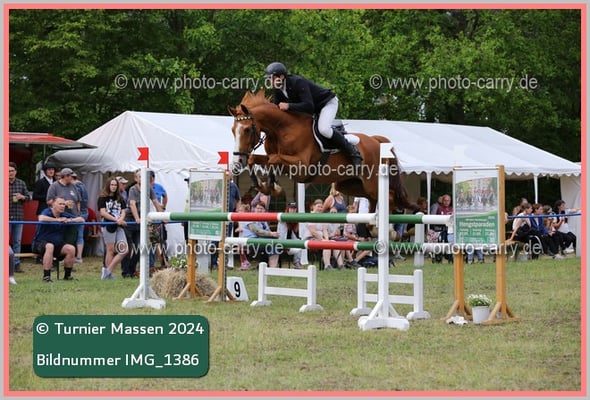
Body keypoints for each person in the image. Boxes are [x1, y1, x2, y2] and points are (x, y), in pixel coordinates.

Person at [264, 61, 362, 167]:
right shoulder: (278, 89)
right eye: (269, 79)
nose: (270, 81)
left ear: (282, 77)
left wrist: (289, 106)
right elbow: (277, 108)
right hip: (313, 109)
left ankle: (352, 151)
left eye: (272, 78)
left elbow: (309, 106)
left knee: (323, 130)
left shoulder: (298, 82)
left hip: (326, 104)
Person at [32, 196, 84, 282]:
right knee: (50, 246)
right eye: (60, 204)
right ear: (53, 205)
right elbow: (41, 218)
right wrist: (57, 220)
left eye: (64, 204)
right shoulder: (47, 211)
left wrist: (69, 220)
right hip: (40, 243)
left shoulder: (64, 214)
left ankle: (67, 276)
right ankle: (46, 277)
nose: (62, 206)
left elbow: (81, 219)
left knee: (71, 248)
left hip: (57, 243)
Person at [123, 169, 163, 278]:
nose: (141, 178)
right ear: (136, 179)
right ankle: (125, 272)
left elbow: (155, 202)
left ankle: (131, 271)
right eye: (139, 176)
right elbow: (132, 204)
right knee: (128, 249)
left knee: (139, 248)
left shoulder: (149, 188)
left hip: (140, 222)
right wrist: (137, 218)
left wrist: (162, 216)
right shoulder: (133, 189)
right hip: (130, 221)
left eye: (143, 176)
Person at [97, 178, 129, 280]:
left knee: (124, 250)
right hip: (108, 225)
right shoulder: (102, 197)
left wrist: (121, 219)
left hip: (119, 226)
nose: (114, 187)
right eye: (112, 185)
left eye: (115, 185)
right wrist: (116, 220)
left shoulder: (120, 198)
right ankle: (108, 274)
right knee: (110, 250)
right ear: (108, 185)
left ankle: (108, 271)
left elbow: (123, 211)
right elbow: (103, 212)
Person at [9, 162, 30, 272]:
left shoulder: (21, 183)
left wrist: (22, 197)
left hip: (18, 216)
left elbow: (28, 198)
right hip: (5, 217)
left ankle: (16, 264)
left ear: (16, 172)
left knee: (17, 241)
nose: (10, 173)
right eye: (8, 171)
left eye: (12, 171)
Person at [247, 200, 280, 268]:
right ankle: (271, 267)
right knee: (274, 242)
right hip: (251, 242)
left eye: (261, 209)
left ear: (264, 210)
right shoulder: (250, 217)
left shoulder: (264, 220)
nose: (259, 210)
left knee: (274, 244)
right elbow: (257, 231)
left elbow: (268, 232)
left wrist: (273, 234)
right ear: (254, 209)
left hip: (262, 241)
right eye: (258, 208)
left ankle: (271, 268)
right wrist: (271, 234)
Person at [149, 171, 168, 270]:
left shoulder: (158, 187)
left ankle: (163, 262)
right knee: (153, 242)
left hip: (158, 217)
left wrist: (163, 208)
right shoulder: (142, 188)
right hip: (149, 219)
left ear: (153, 178)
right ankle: (152, 264)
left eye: (151, 178)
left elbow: (165, 196)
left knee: (160, 241)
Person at [277, 202, 303, 269]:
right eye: (291, 208)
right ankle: (296, 262)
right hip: (282, 242)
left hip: (291, 241)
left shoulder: (297, 220)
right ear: (288, 209)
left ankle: (297, 262)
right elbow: (281, 235)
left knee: (300, 243)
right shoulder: (283, 219)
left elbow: (297, 235)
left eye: (294, 209)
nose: (292, 210)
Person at [71, 172, 89, 263]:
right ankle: (79, 256)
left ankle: (75, 256)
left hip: (77, 213)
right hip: (84, 212)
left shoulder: (76, 187)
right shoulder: (83, 186)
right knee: (80, 235)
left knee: (73, 234)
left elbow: (76, 201)